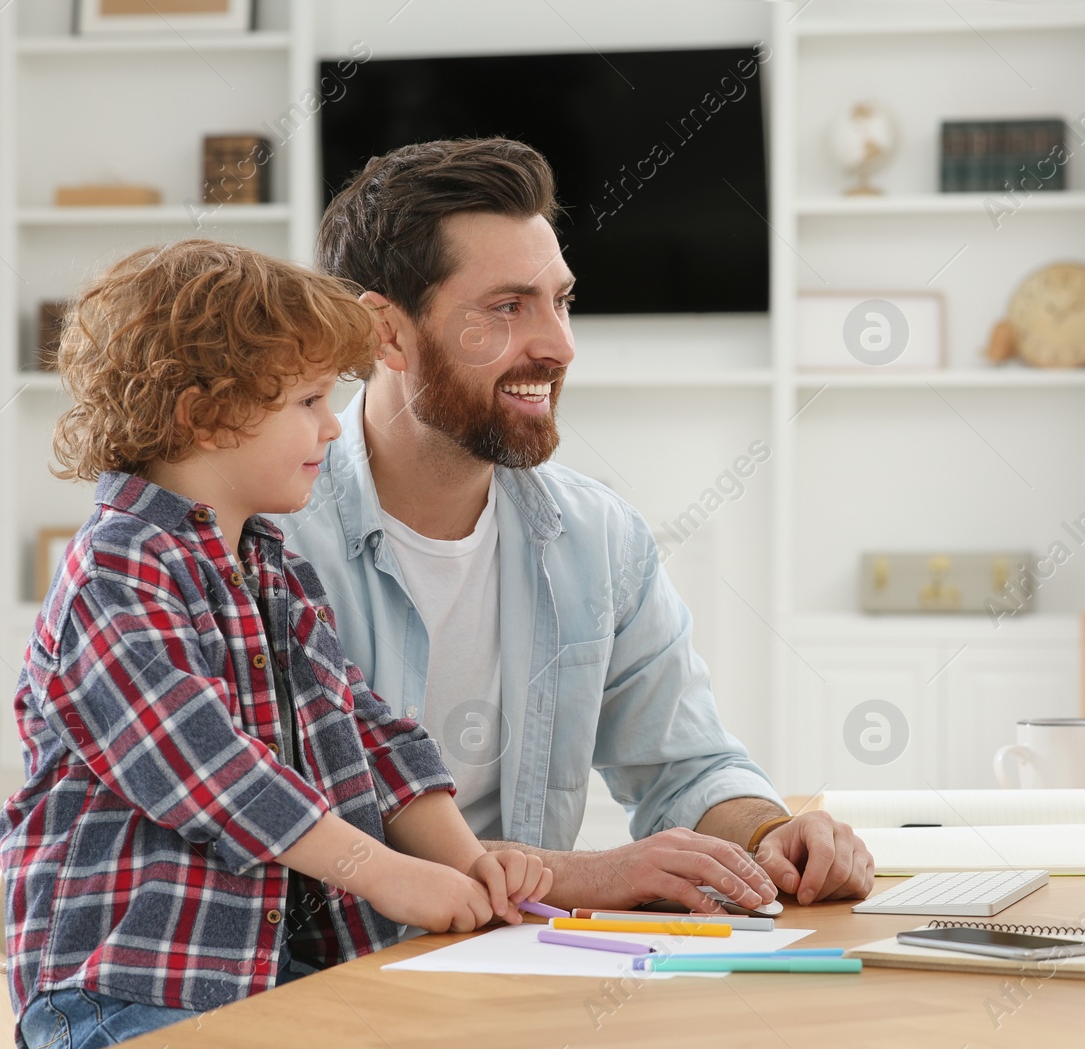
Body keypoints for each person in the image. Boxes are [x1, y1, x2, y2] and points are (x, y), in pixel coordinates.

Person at [278, 137, 873, 913]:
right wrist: (585, 876)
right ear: (387, 334)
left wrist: (771, 836)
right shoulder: (269, 542)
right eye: (508, 307)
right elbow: (301, 843)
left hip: (523, 969)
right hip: (323, 998)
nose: (559, 346)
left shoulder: (598, 539)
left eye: (561, 300)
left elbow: (683, 770)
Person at [0, 240, 551, 1049]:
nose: (333, 424)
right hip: (127, 993)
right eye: (306, 398)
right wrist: (386, 872)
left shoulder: (273, 568)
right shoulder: (113, 572)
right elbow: (210, 770)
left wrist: (470, 863)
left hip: (279, 983)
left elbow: (367, 734)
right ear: (202, 413)